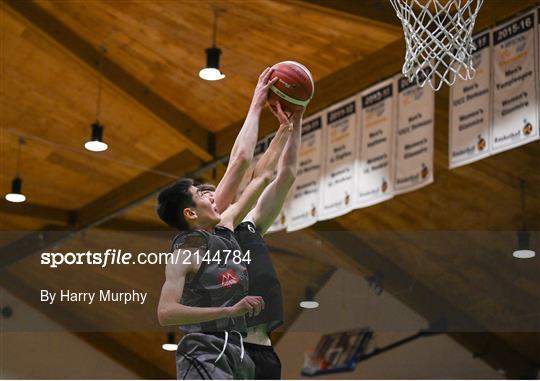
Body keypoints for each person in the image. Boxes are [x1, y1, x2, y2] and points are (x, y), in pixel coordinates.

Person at [156, 69, 291, 380]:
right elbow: (165, 313)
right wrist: (229, 312)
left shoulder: (225, 224)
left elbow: (259, 174)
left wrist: (284, 129)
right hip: (203, 349)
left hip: (236, 352)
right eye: (201, 193)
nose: (211, 194)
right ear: (190, 213)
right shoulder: (187, 252)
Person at [199, 102, 304, 379]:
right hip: (229, 352)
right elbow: (242, 160)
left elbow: (287, 175)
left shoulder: (250, 225)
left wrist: (297, 119)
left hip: (265, 353)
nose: (213, 197)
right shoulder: (206, 236)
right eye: (206, 196)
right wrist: (260, 106)